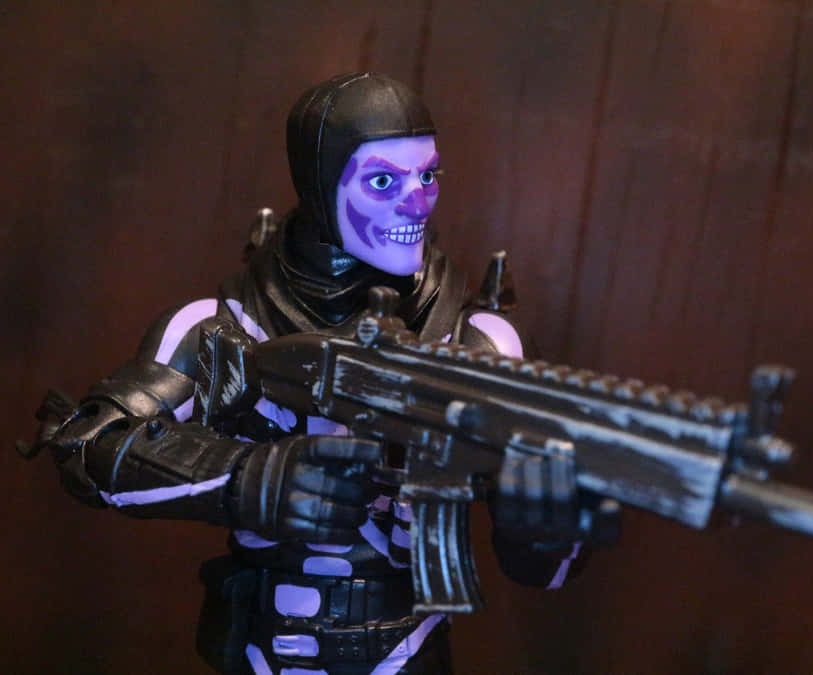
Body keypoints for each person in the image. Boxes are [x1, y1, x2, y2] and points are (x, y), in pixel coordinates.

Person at [37, 73, 590, 674]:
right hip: (267, 648)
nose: (417, 202)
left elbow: (544, 568)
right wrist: (248, 477)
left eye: (428, 176)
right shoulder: (221, 326)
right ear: (320, 185)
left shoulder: (481, 340)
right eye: (383, 181)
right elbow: (88, 448)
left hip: (407, 649)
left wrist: (547, 511)